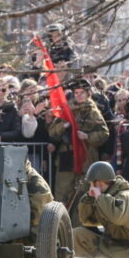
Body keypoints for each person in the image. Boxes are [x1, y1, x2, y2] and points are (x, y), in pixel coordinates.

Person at [47, 79, 109, 222]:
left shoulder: (93, 112)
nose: (79, 96)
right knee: (62, 193)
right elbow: (52, 132)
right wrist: (64, 126)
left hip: (85, 156)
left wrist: (88, 136)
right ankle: (59, 226)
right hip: (66, 155)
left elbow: (104, 134)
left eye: (82, 93)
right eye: (76, 93)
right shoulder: (66, 110)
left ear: (88, 94)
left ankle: (78, 227)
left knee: (82, 194)